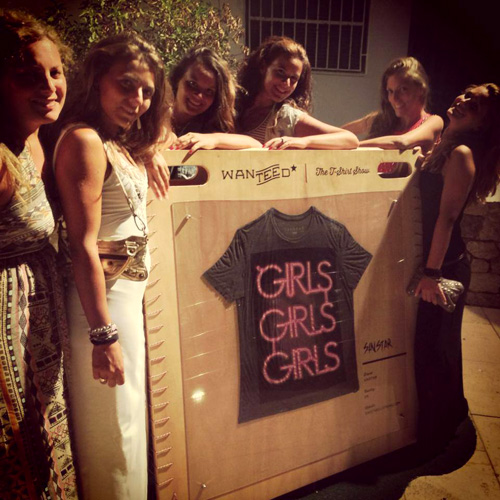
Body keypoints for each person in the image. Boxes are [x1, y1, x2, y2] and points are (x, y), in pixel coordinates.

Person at [54, 33, 169, 499]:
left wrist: (152, 148)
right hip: (102, 307)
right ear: (97, 80)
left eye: (146, 91)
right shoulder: (84, 140)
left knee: (129, 423)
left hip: (126, 302)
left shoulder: (117, 141)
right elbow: (82, 244)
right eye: (126, 85)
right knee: (112, 430)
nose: (137, 99)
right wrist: (104, 336)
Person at [0, 9, 78, 499]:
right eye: (29, 75)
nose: (49, 86)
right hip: (5, 329)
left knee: (45, 438)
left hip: (39, 322)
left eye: (55, 72)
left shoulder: (40, 138)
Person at [412, 83, 500, 453]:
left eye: (475, 105)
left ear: (482, 125)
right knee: (434, 346)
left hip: (445, 267)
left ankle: (437, 434)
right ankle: (443, 419)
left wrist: (432, 274)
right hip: (439, 263)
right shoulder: (444, 146)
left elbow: (447, 219)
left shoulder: (462, 154)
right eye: (466, 94)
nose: (463, 101)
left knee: (434, 349)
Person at [237, 36, 358, 150]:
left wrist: (305, 141)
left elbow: (350, 139)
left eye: (293, 78)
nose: (286, 83)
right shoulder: (235, 104)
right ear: (263, 67)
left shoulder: (288, 118)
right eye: (280, 72)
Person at [342, 57, 443, 154]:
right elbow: (341, 132)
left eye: (403, 89)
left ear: (421, 90)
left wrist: (352, 146)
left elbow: (402, 141)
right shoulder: (383, 119)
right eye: (390, 91)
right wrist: (336, 142)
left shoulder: (434, 121)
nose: (394, 98)